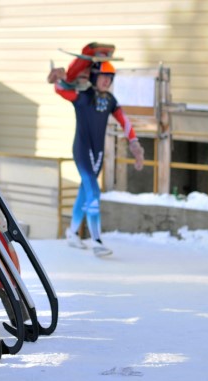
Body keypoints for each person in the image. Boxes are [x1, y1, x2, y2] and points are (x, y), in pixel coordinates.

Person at [48, 44, 144, 257]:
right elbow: (62, 90)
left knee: (85, 193)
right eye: (103, 76)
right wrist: (57, 79)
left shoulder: (110, 100)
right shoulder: (83, 95)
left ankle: (72, 233)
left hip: (98, 154)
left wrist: (134, 143)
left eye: (110, 77)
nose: (106, 81)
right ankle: (97, 240)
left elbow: (124, 120)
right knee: (93, 191)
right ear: (94, 76)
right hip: (82, 150)